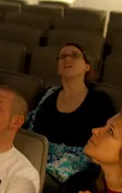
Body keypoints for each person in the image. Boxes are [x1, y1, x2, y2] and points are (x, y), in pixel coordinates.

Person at [27, 43, 115, 183]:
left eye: (75, 55)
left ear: (87, 66)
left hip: (74, 174)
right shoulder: (48, 95)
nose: (67, 59)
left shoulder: (100, 100)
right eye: (63, 56)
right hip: (36, 162)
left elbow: (106, 140)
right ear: (58, 69)